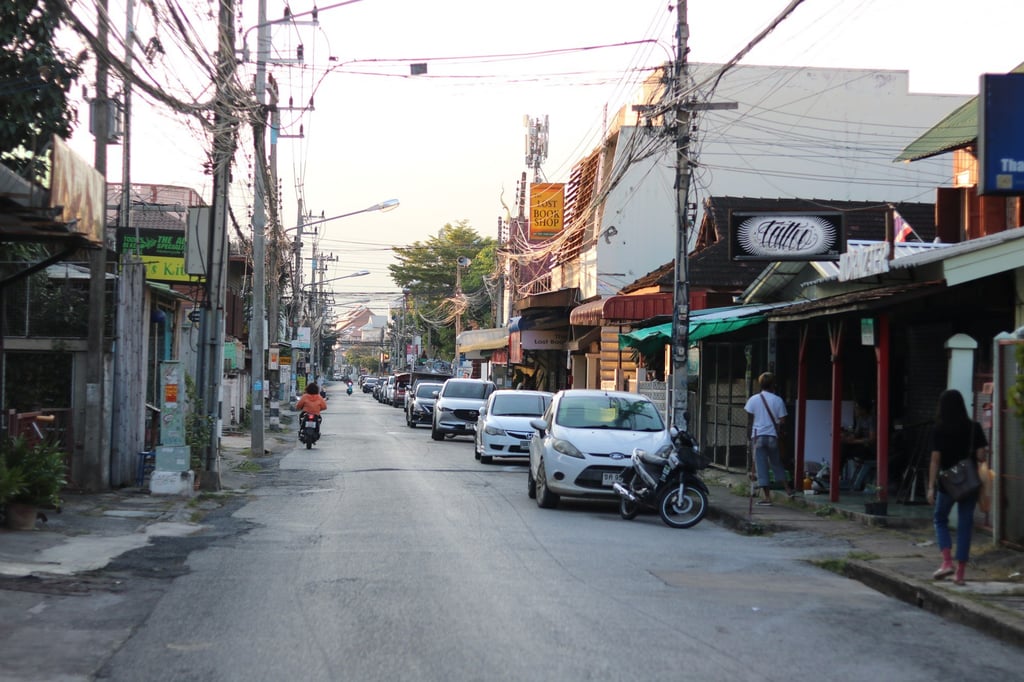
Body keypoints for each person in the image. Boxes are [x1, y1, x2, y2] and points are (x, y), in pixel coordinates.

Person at [927, 388, 988, 586]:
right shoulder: (974, 427)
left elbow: (935, 460)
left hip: (947, 484)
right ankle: (960, 573)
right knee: (965, 525)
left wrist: (930, 487)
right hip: (969, 483)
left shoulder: (939, 429)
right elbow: (980, 456)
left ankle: (946, 562)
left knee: (940, 518)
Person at [744, 372, 796, 505]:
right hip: (772, 436)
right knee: (777, 463)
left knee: (761, 467)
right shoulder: (777, 400)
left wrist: (749, 435)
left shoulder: (753, 399)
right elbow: (782, 420)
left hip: (757, 436)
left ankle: (767, 498)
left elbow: (750, 419)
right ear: (773, 385)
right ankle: (788, 489)